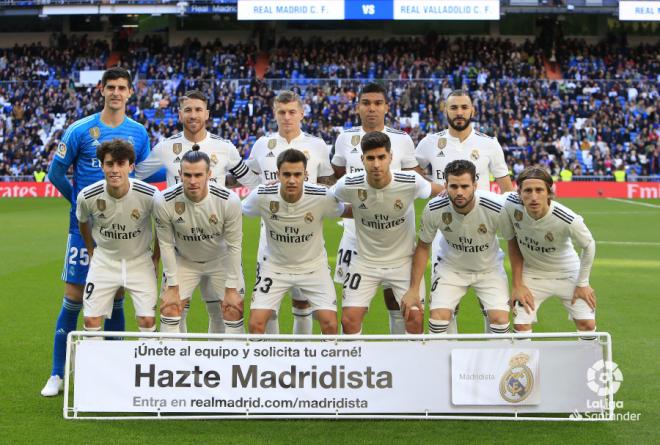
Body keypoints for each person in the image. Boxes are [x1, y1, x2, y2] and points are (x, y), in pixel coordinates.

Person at [42, 67, 150, 397]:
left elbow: (142, 178)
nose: (116, 92)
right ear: (101, 90)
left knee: (116, 296)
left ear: (131, 92)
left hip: (123, 233)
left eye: (122, 87)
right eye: (111, 87)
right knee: (73, 298)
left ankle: (113, 372)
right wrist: (79, 203)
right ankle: (57, 374)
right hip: (83, 229)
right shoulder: (80, 129)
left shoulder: (139, 133)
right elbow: (55, 172)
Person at [136, 90, 258, 334]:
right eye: (188, 110)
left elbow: (252, 182)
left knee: (222, 309)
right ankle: (178, 367)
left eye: (198, 109)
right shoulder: (166, 147)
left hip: (217, 240)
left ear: (207, 114)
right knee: (175, 308)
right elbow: (136, 176)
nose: (193, 115)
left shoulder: (224, 148)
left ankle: (220, 367)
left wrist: (236, 201)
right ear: (180, 114)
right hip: (180, 241)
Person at [415, 89, 514, 334]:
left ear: (472, 110)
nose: (459, 113)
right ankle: (451, 359)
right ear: (445, 110)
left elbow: (506, 188)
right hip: (445, 227)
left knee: (491, 307)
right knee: (447, 306)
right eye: (454, 108)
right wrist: (436, 188)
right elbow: (413, 173)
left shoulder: (489, 144)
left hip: (483, 225)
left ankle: (492, 359)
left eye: (463, 107)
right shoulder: (429, 142)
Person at [331, 82, 421, 335]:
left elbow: (413, 181)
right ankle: (357, 362)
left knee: (396, 298)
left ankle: (397, 353)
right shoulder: (344, 138)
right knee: (353, 302)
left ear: (386, 107)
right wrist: (352, 209)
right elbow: (338, 178)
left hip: (396, 233)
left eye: (378, 103)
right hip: (355, 232)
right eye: (366, 103)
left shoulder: (402, 139)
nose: (372, 108)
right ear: (358, 107)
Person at [332, 132, 442, 335]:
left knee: (415, 318)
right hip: (365, 262)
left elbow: (441, 192)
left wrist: (471, 195)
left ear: (390, 157)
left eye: (381, 157)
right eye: (371, 158)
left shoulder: (410, 181)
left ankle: (410, 365)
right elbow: (327, 201)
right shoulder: (349, 183)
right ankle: (356, 365)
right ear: (362, 159)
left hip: (403, 262)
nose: (376, 164)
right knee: (349, 319)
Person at [246, 90, 335, 335]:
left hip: (308, 233)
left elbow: (328, 181)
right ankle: (276, 362)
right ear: (275, 114)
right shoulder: (262, 144)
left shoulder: (316, 145)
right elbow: (251, 178)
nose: (287, 117)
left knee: (303, 301)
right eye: (282, 112)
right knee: (268, 306)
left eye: (292, 112)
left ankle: (301, 360)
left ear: (302, 114)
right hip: (271, 236)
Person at [242, 149, 346, 335]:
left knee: (330, 324)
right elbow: (238, 210)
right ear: (278, 174)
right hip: (274, 268)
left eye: (297, 174)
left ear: (306, 175)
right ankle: (267, 363)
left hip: (313, 268)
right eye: (287, 174)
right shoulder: (263, 195)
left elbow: (345, 211)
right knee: (256, 324)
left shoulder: (321, 196)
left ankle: (319, 363)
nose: (292, 180)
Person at [401, 160, 511, 336]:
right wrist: (414, 289)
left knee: (500, 321)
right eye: (453, 186)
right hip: (451, 269)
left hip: (489, 269)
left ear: (475, 185)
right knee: (437, 320)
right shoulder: (434, 207)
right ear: (445, 185)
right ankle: (441, 362)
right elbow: (423, 247)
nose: (459, 192)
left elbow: (513, 242)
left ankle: (494, 363)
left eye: (465, 186)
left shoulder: (496, 206)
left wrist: (519, 285)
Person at [154, 150, 244, 335]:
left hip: (221, 260)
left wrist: (232, 287)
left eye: (198, 175)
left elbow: (234, 246)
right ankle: (175, 362)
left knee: (233, 310)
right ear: (179, 175)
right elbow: (166, 244)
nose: (193, 181)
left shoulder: (229, 200)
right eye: (187, 175)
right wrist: (171, 286)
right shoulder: (164, 200)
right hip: (184, 260)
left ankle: (224, 364)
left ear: (209, 174)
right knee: (170, 308)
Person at [75, 139, 159, 337]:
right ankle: (95, 367)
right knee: (91, 319)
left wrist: (156, 257)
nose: (114, 170)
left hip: (140, 261)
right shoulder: (88, 196)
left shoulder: (150, 195)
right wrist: (90, 249)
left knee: (147, 320)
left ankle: (146, 367)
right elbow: (82, 222)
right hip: (105, 261)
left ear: (131, 166)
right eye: (109, 163)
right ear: (102, 165)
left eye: (120, 164)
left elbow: (163, 228)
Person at [502, 167, 597, 338]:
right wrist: (517, 284)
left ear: (549, 193)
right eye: (528, 191)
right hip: (532, 274)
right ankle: (524, 365)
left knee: (587, 325)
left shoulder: (568, 219)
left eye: (539, 190)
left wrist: (582, 283)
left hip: (568, 274)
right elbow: (512, 242)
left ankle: (589, 365)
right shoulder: (509, 205)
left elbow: (589, 245)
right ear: (519, 193)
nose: (533, 196)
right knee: (521, 326)